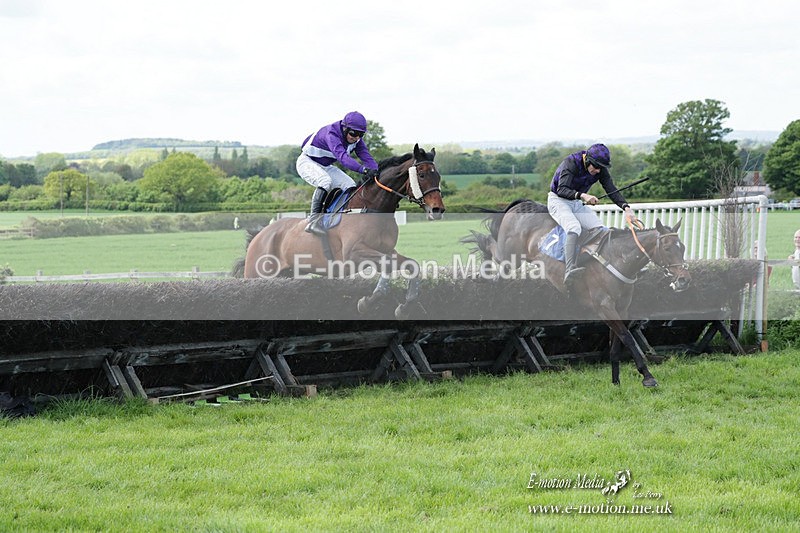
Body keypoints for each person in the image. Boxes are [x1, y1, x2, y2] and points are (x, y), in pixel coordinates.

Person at [547, 143, 638, 288]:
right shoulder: (571, 162)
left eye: (600, 168)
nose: (597, 171)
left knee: (601, 229)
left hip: (575, 203)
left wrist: (626, 208)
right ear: (587, 160)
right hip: (558, 200)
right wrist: (583, 195)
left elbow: (611, 189)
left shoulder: (600, 168)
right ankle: (569, 269)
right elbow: (562, 189)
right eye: (595, 167)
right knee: (574, 227)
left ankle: (596, 261)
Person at [296, 111, 379, 236]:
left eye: (360, 135)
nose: (356, 138)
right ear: (345, 128)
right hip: (307, 162)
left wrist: (376, 171)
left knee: (350, 185)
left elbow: (366, 156)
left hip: (325, 166)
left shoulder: (356, 139)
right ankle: (313, 221)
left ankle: (336, 217)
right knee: (325, 181)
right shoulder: (332, 134)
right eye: (353, 133)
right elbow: (343, 158)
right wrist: (363, 170)